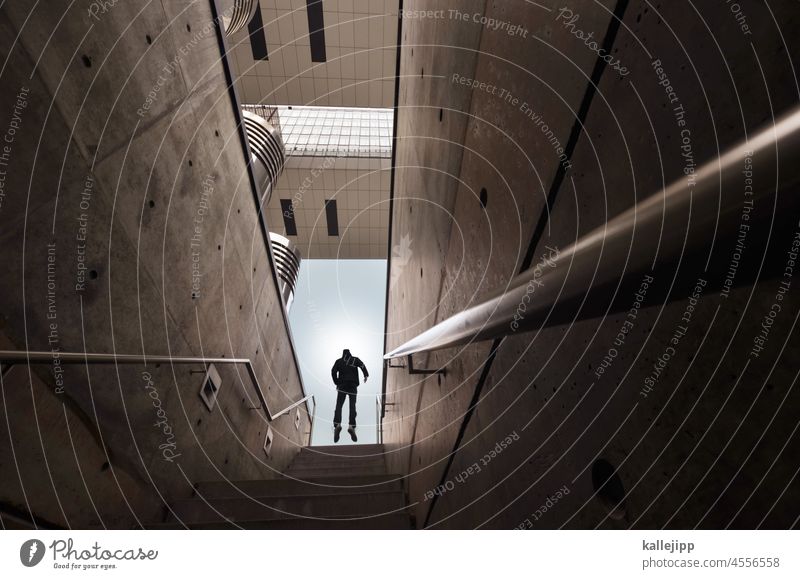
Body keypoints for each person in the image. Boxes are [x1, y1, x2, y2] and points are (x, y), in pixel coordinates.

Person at [331, 348, 368, 442]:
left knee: (339, 405)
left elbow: (333, 371)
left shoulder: (339, 361)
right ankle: (351, 426)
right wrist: (365, 374)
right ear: (350, 354)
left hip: (342, 385)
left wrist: (337, 382)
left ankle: (337, 425)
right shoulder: (354, 359)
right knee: (352, 405)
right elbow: (362, 365)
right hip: (352, 384)